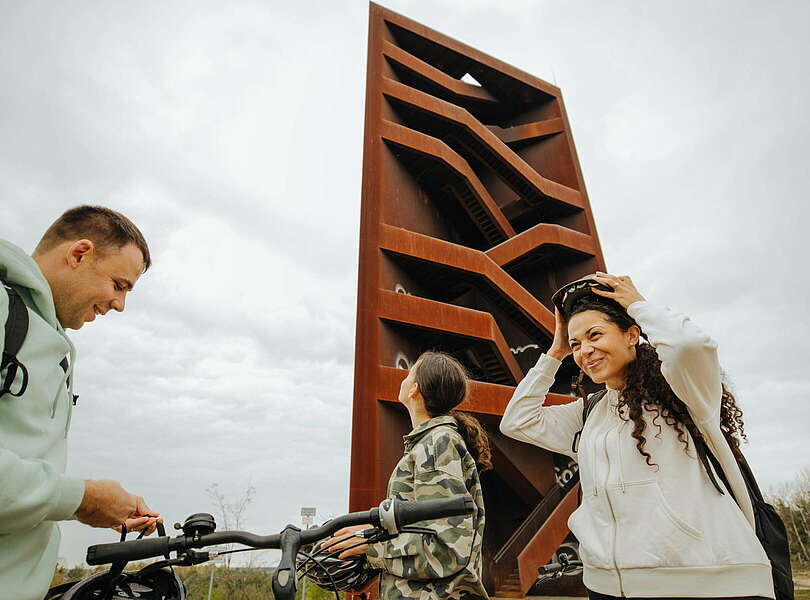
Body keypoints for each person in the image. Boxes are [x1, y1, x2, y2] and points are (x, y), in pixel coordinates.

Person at [500, 272, 775, 600]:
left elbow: (690, 345)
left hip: (708, 583)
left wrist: (638, 305)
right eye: (577, 343)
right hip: (609, 587)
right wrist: (555, 353)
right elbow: (517, 421)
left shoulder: (683, 390)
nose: (585, 350)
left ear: (632, 334)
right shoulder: (590, 413)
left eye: (595, 335)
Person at [0, 206, 160, 600]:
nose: (120, 305)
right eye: (120, 285)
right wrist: (83, 499)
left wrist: (89, 504)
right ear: (79, 253)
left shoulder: (51, 343)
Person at [328, 351, 491, 599]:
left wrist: (371, 550)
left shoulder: (438, 444)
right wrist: (371, 540)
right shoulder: (428, 444)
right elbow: (421, 532)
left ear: (414, 389)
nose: (402, 381)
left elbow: (446, 548)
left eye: (408, 375)